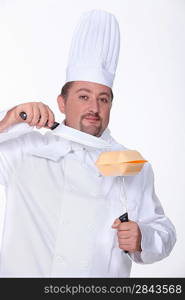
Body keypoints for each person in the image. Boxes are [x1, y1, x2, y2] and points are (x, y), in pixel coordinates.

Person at [0, 10, 176, 277]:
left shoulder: (130, 163)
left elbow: (164, 229)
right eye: (83, 96)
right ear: (62, 103)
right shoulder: (26, 150)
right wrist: (8, 120)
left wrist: (144, 237)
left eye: (103, 99)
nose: (94, 107)